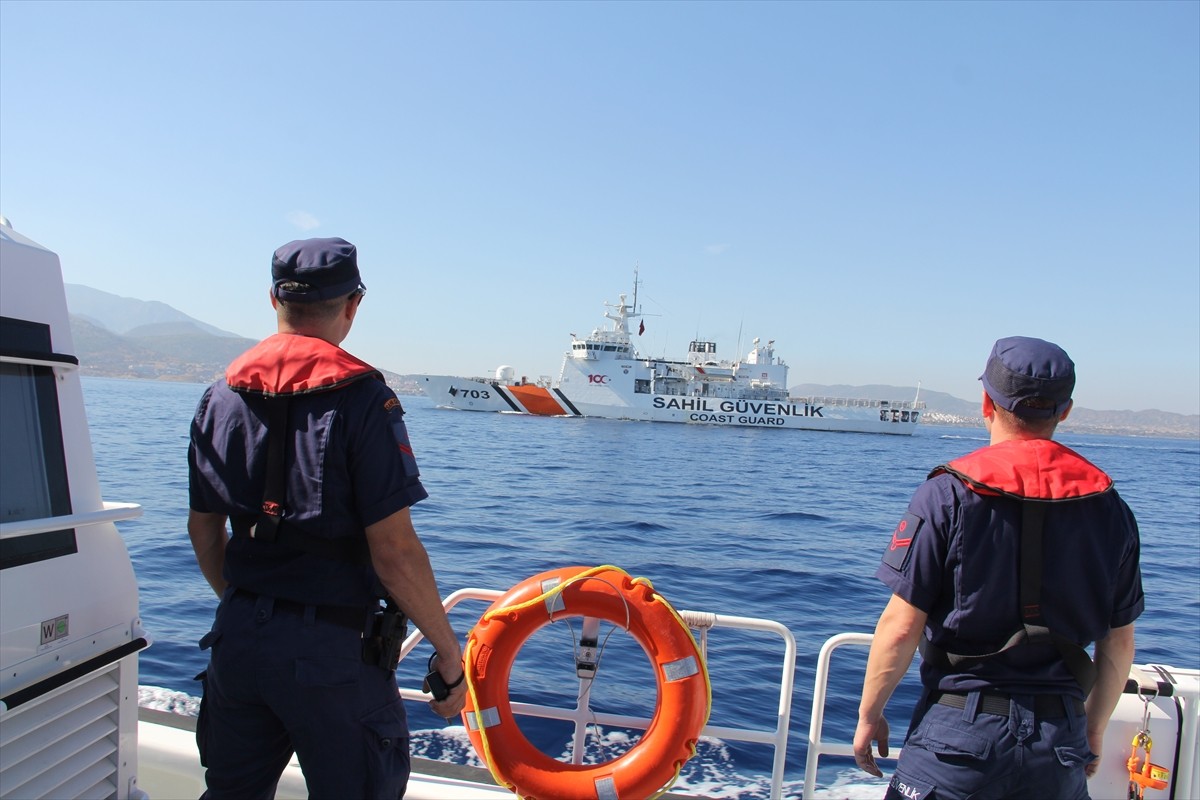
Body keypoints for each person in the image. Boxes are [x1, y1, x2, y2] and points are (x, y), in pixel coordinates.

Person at [187, 237, 466, 799]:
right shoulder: (365, 400)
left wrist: (243, 606)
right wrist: (448, 651)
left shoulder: (219, 396)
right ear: (353, 305)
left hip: (237, 640)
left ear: (273, 300)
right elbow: (394, 553)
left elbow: (203, 528)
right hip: (333, 654)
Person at [853, 336, 1144, 800]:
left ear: (987, 402)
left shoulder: (946, 494)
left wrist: (870, 716)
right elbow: (1119, 641)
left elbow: (901, 626)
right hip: (1060, 741)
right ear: (1064, 411)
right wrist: (1092, 731)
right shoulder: (1110, 508)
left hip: (957, 736)